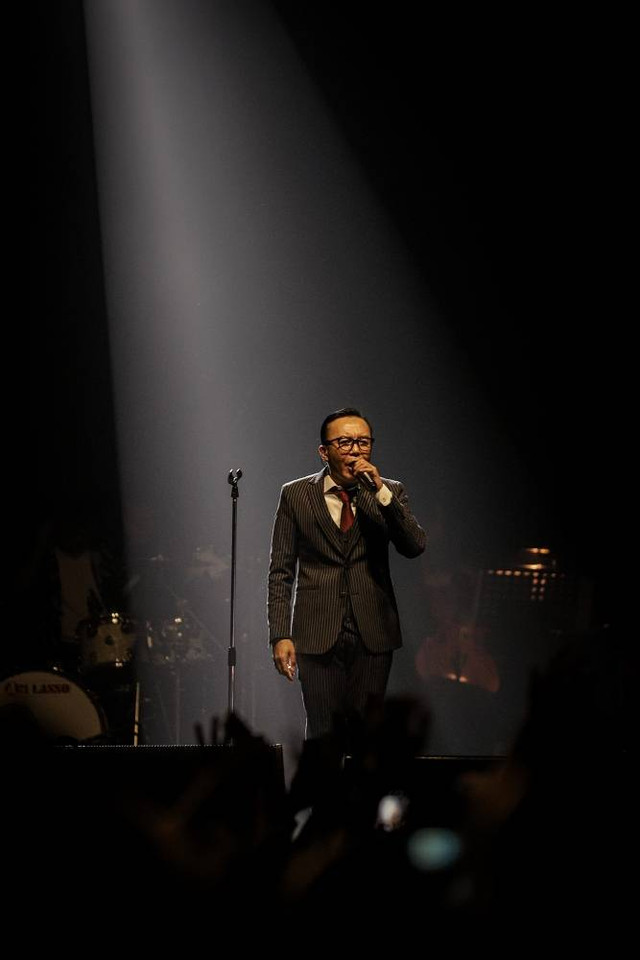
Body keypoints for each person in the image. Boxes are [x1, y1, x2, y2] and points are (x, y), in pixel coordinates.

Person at [268, 407, 426, 748]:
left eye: (363, 442)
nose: (355, 450)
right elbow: (280, 571)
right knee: (323, 736)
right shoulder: (295, 494)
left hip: (373, 631)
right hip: (316, 631)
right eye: (345, 442)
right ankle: (323, 802)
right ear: (324, 451)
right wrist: (280, 634)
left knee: (366, 736)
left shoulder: (389, 492)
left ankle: (359, 802)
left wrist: (381, 492)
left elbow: (414, 546)